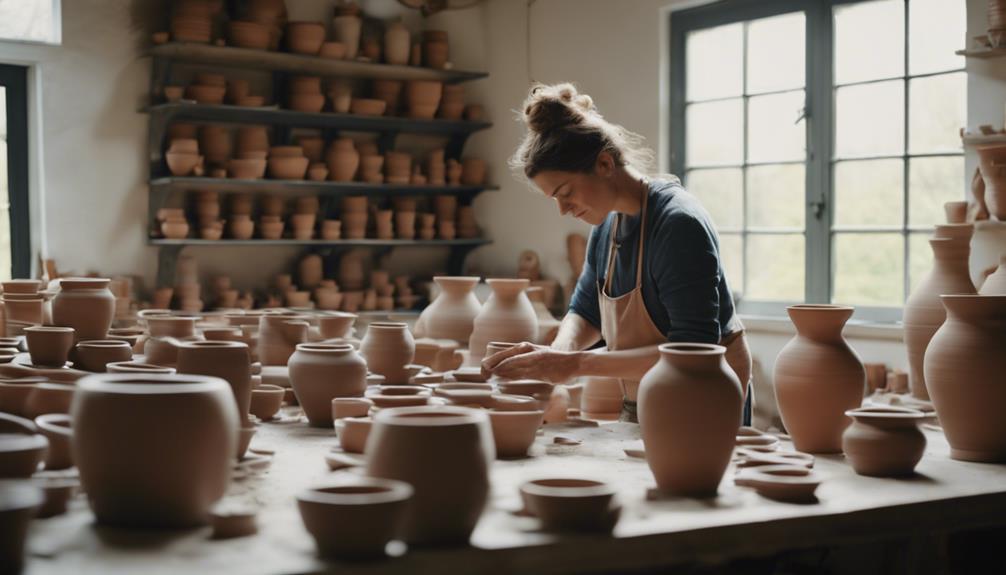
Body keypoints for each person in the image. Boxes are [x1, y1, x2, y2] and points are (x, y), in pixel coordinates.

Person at [481, 83, 753, 424]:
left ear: (605, 164)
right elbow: (586, 312)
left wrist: (576, 364)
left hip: (704, 400)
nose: (563, 210)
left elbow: (692, 351)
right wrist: (558, 353)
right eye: (555, 199)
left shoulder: (677, 225)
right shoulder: (605, 228)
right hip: (647, 398)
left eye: (566, 193)